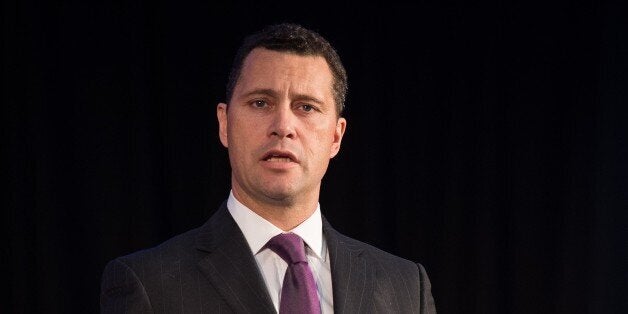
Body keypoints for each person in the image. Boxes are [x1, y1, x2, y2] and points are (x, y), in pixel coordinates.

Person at [100, 23, 436, 314]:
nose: (283, 126)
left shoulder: (406, 287)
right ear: (224, 124)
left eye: (306, 106)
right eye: (261, 103)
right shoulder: (149, 284)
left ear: (336, 136)